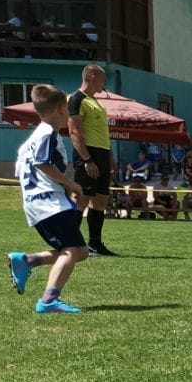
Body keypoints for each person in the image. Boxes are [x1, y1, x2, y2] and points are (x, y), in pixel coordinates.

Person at [5, 85, 90, 313]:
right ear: (61, 109)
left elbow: (23, 171)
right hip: (49, 203)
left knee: (81, 251)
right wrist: (70, 184)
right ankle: (48, 301)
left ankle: (27, 261)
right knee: (72, 251)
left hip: (39, 202)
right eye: (68, 109)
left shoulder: (30, 141)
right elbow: (42, 163)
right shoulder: (48, 134)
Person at [66, 64, 118, 256]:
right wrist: (87, 160)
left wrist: (110, 156)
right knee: (82, 198)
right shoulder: (76, 99)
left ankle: (95, 244)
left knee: (100, 200)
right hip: (89, 155)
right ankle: (69, 242)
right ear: (93, 77)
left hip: (102, 154)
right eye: (104, 79)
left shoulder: (95, 101)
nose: (105, 83)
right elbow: (74, 131)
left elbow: (102, 132)